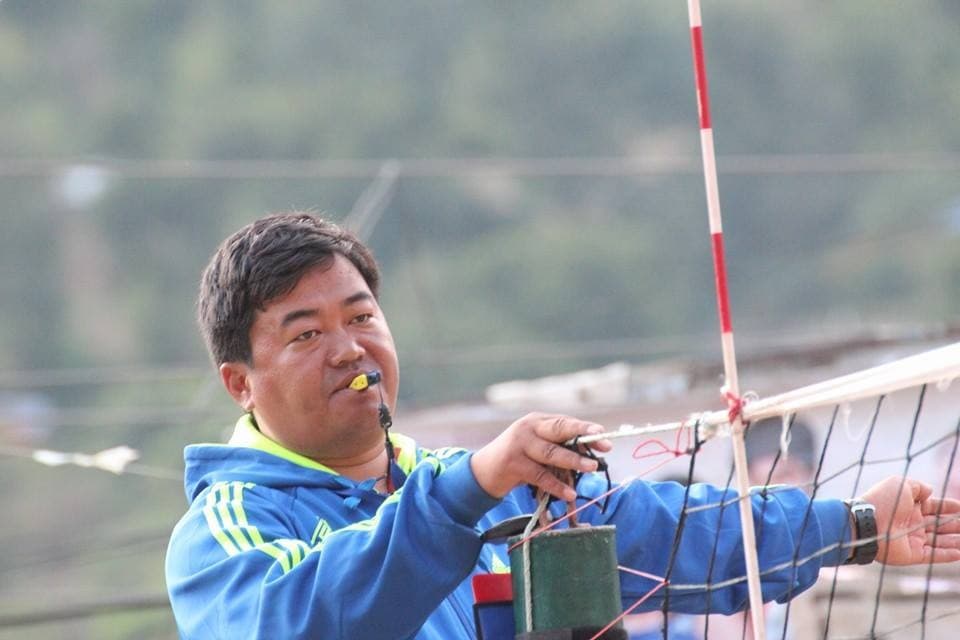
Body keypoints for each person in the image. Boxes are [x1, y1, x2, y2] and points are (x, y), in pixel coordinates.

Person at [165, 212, 960, 640]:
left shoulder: (474, 490)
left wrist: (852, 526)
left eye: (361, 315)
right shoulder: (227, 529)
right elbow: (295, 623)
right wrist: (464, 490)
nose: (349, 348)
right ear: (240, 383)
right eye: (306, 335)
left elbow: (667, 531)